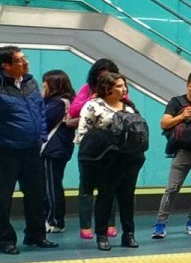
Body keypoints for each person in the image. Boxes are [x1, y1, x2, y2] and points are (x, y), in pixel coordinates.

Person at [75, 73, 145, 251]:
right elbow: (83, 134)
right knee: (105, 196)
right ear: (108, 88)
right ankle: (102, 234)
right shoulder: (93, 106)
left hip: (129, 159)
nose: (124, 89)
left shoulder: (129, 107)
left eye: (124, 85)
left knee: (127, 197)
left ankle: (129, 233)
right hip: (105, 160)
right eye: (120, 86)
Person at [0, 46, 55, 255]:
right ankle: (5, 240)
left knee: (36, 194)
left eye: (25, 59)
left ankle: (36, 234)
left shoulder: (30, 82)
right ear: (6, 66)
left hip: (32, 149)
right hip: (6, 150)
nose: (26, 63)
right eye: (20, 60)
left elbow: (40, 110)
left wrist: (41, 136)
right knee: (3, 198)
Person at [153, 72, 191, 239]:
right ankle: (160, 223)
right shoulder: (176, 102)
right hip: (182, 152)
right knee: (172, 188)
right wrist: (182, 116)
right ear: (187, 86)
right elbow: (164, 123)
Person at [70, 58, 123, 241]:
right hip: (90, 147)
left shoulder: (119, 92)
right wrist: (92, 99)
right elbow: (74, 110)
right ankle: (85, 225)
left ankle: (110, 223)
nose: (105, 81)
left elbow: (127, 109)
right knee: (86, 187)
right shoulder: (88, 90)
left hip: (113, 148)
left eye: (108, 77)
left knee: (111, 187)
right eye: (101, 77)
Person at [40, 69, 76, 235]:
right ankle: (53, 219)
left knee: (51, 186)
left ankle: (54, 220)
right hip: (60, 148)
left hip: (52, 148)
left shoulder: (57, 104)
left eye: (45, 83)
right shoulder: (67, 102)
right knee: (53, 184)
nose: (43, 87)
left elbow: (42, 121)